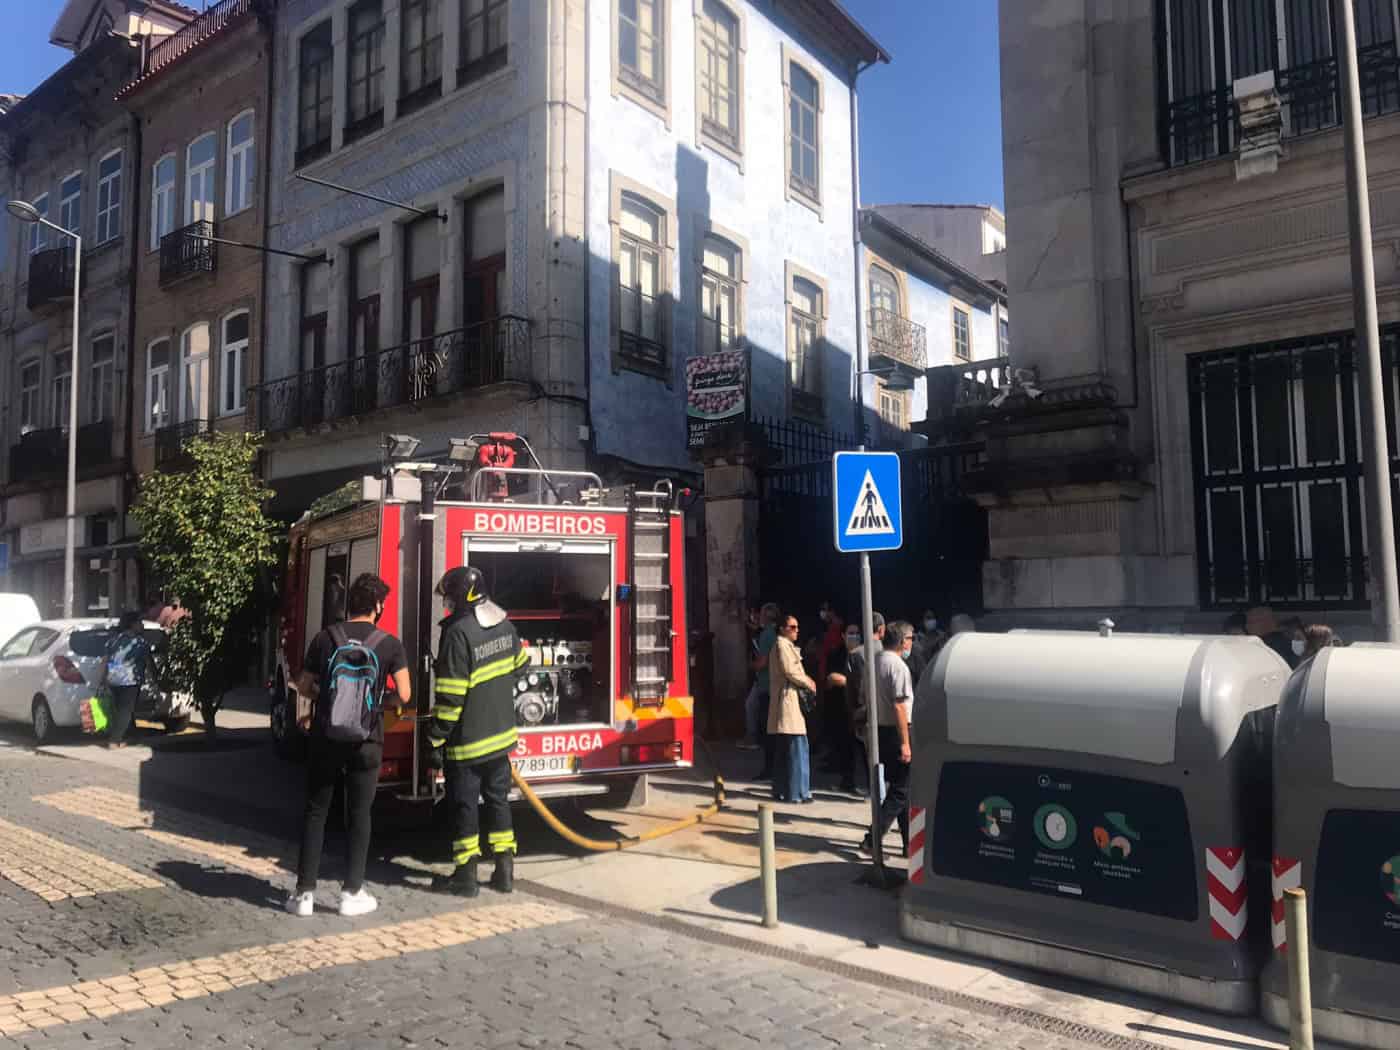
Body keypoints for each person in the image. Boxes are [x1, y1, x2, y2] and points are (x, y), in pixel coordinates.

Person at [288, 573, 409, 918]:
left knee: (315, 812)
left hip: (326, 738)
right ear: (378, 606)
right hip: (366, 741)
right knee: (359, 815)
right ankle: (351, 893)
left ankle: (303, 895)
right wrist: (373, 704)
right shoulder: (389, 644)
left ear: (349, 604)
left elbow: (304, 683)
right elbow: (404, 694)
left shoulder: (326, 638)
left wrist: (325, 700)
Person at [428, 566, 531, 898]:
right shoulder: (504, 623)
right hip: (501, 739)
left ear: (463, 597)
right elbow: (520, 666)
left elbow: (451, 696)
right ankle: (504, 874)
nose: (448, 604)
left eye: (451, 598)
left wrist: (435, 738)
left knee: (465, 806)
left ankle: (466, 878)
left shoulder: (457, 633)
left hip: (467, 745)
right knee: (499, 801)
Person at [861, 621, 914, 859]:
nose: (912, 643)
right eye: (911, 638)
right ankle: (872, 838)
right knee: (901, 791)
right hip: (896, 731)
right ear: (902, 641)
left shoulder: (872, 663)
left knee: (903, 789)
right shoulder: (898, 667)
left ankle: (908, 843)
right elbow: (899, 706)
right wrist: (905, 742)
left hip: (879, 730)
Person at [768, 613, 817, 803]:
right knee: (797, 748)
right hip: (788, 702)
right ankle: (798, 792)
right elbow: (790, 671)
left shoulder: (785, 646)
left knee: (786, 750)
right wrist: (808, 682)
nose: (796, 631)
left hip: (788, 702)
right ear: (782, 629)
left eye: (797, 627)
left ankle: (784, 790)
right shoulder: (782, 645)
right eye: (792, 627)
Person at [98, 611, 156, 749]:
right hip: (130, 680)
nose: (142, 625)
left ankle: (131, 736)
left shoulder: (113, 641)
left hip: (113, 679)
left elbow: (104, 661)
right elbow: (149, 663)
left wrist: (102, 679)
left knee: (121, 710)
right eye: (139, 622)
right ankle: (114, 740)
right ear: (132, 624)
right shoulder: (141, 643)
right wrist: (156, 679)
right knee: (126, 711)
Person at [846, 612, 885, 796]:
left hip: (865, 712)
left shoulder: (856, 654)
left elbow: (856, 688)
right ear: (881, 629)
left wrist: (856, 712)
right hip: (887, 711)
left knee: (870, 756)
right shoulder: (889, 651)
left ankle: (876, 793)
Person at [748, 603, 780, 779]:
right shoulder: (775, 633)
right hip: (772, 685)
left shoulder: (767, 634)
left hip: (766, 685)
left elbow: (762, 662)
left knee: (767, 730)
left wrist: (752, 666)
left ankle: (769, 769)